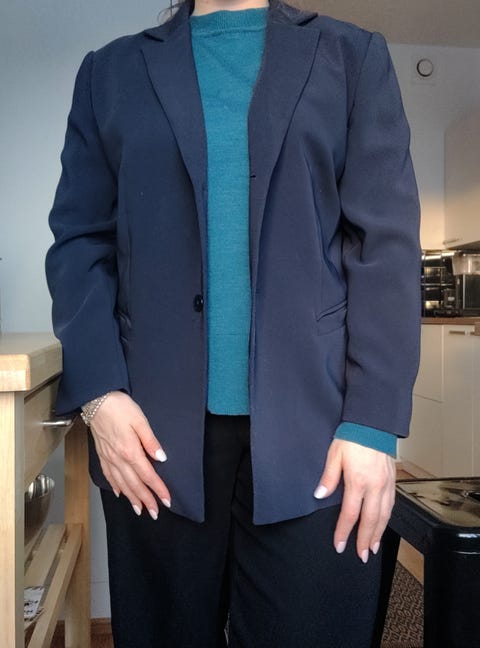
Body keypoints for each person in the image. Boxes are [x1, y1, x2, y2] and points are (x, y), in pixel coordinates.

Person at [44, 0, 422, 645]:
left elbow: (384, 246)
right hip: (149, 434)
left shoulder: (352, 58)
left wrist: (374, 422)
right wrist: (100, 396)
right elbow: (80, 242)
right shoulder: (109, 72)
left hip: (320, 432)